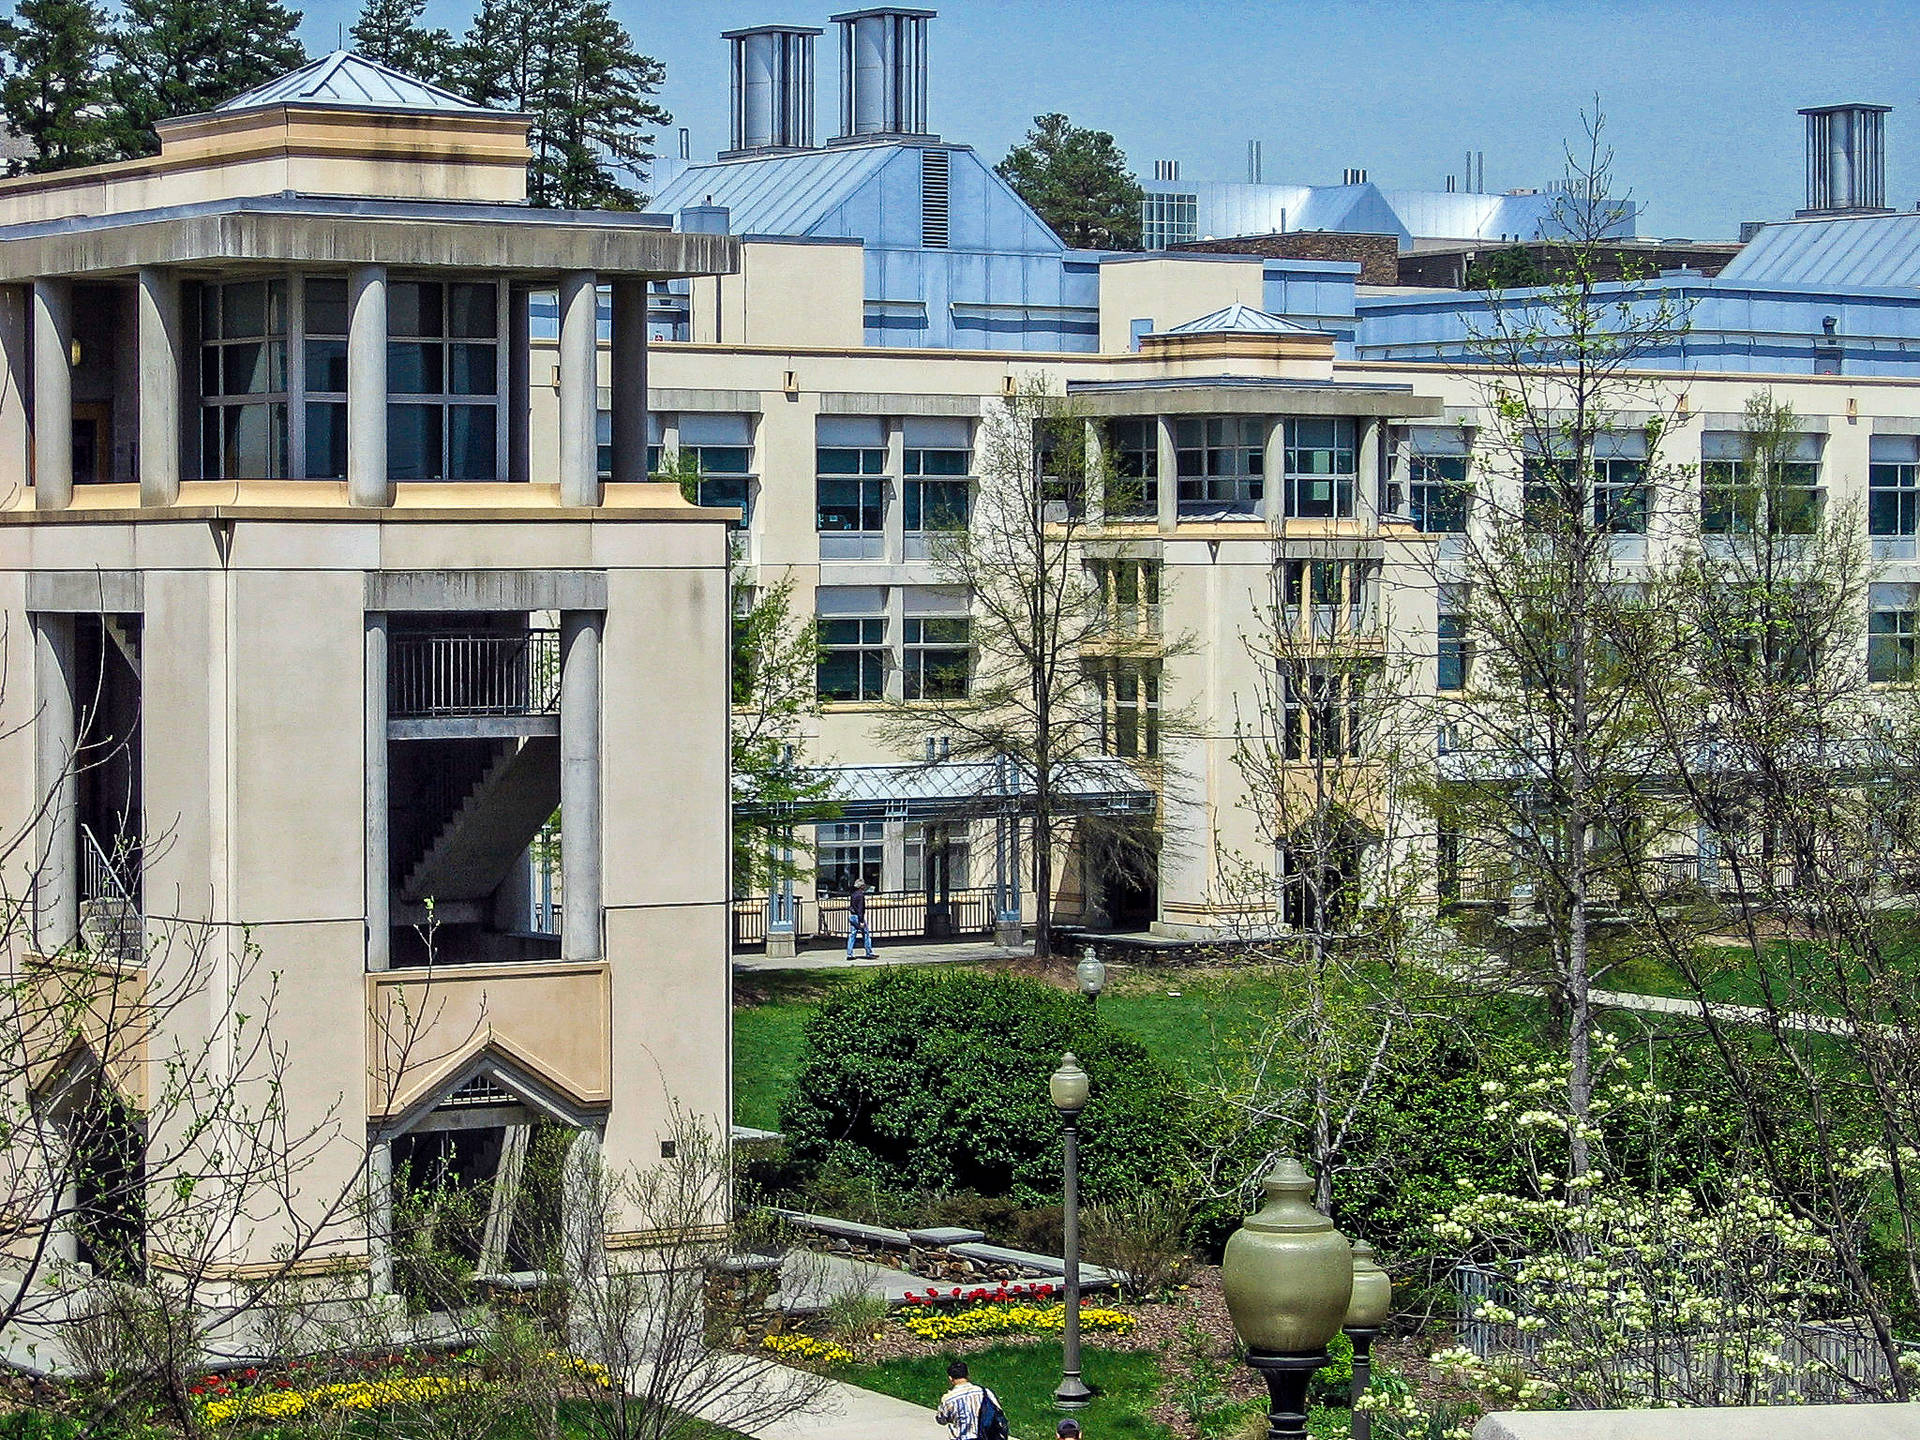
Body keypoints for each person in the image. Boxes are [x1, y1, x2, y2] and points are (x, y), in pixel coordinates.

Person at [936, 1359, 992, 1440]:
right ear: (967, 1375)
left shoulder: (948, 1399)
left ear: (950, 1378)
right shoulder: (985, 1392)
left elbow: (941, 1420)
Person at [846, 876, 876, 959]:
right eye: (863, 885)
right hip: (857, 916)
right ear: (861, 886)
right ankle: (869, 952)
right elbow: (860, 909)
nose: (865, 887)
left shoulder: (853, 894)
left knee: (852, 935)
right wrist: (861, 920)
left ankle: (849, 953)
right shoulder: (860, 895)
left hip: (852, 915)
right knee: (866, 934)